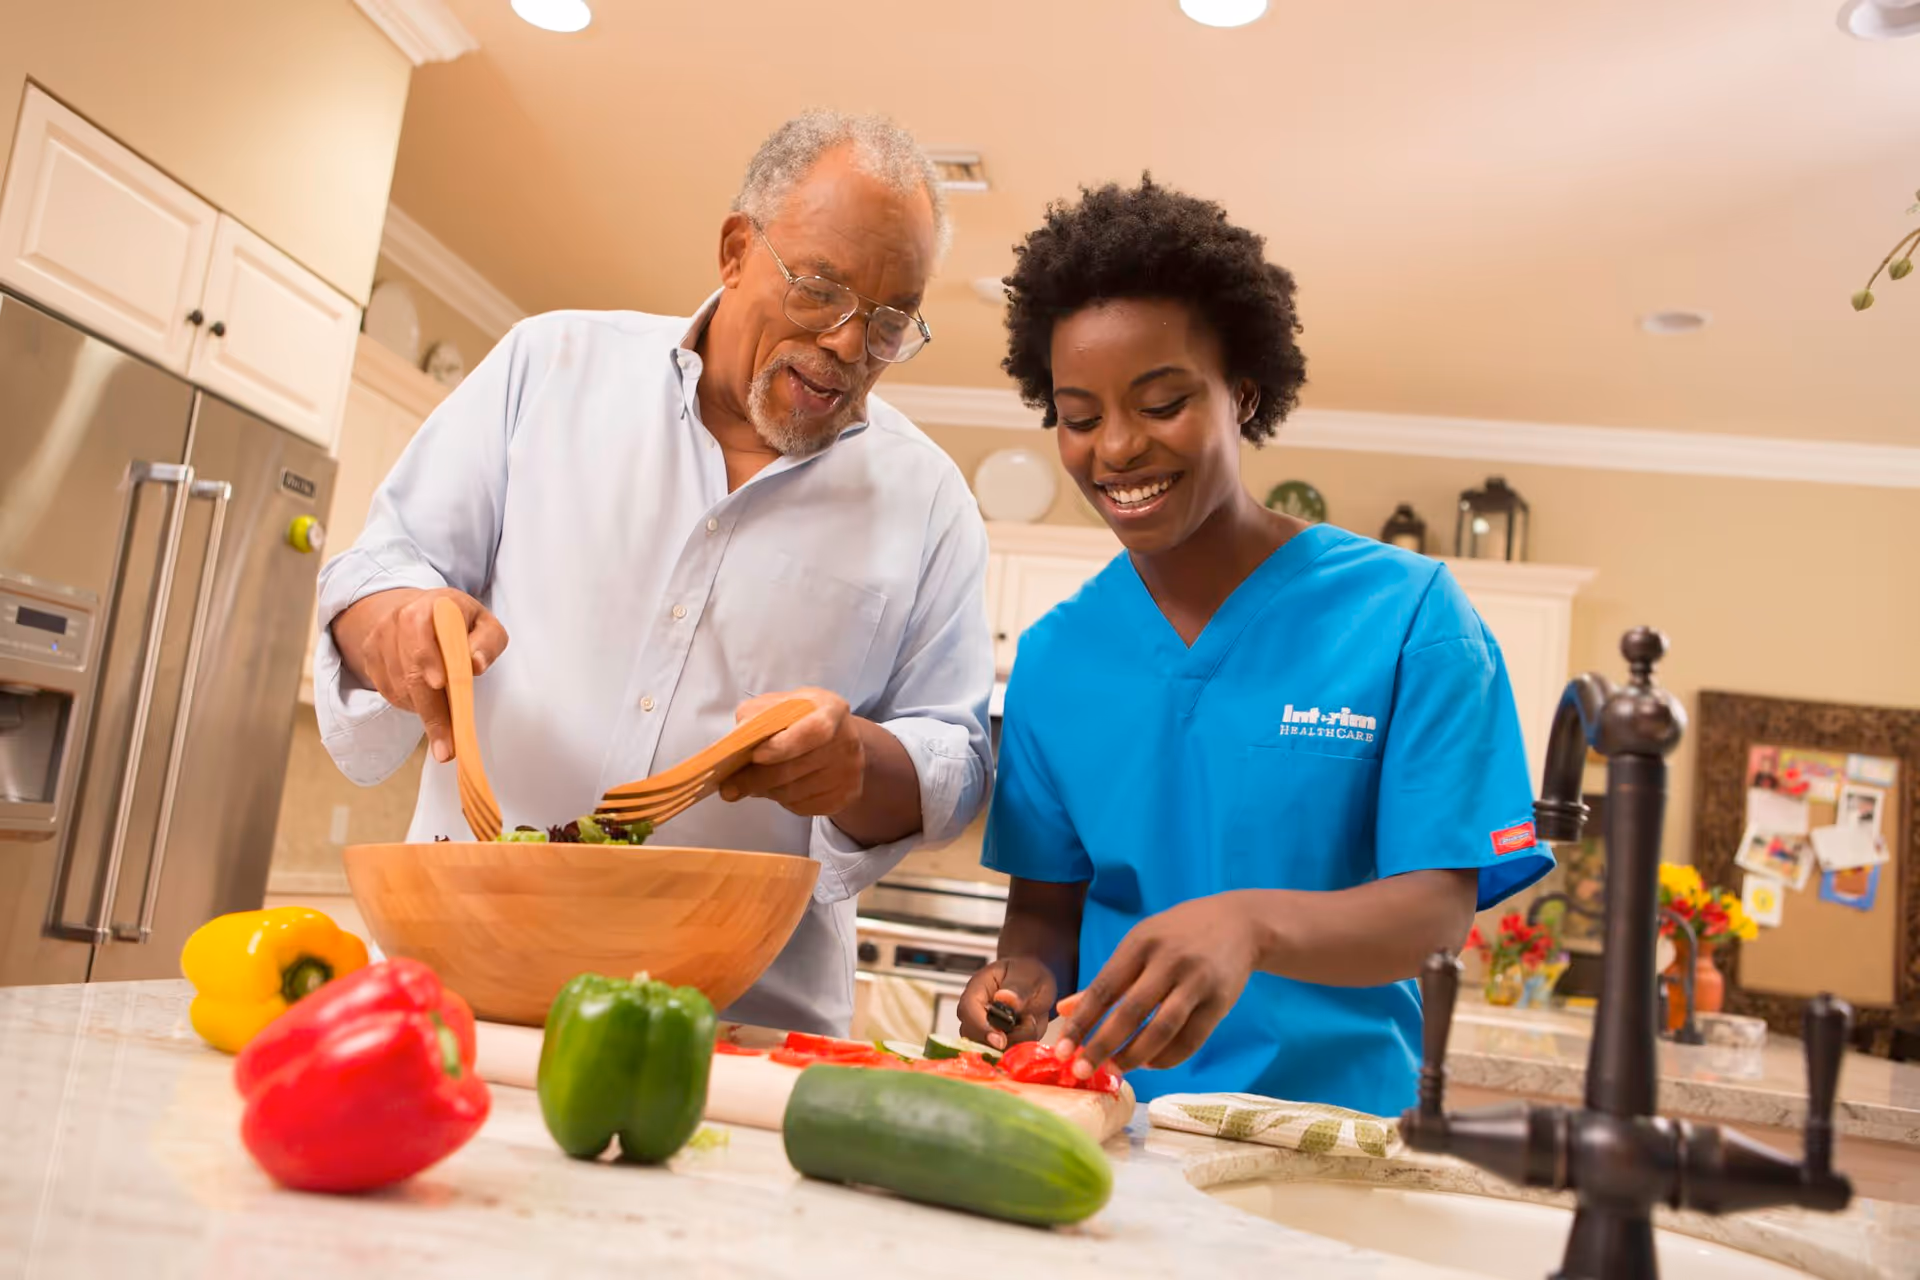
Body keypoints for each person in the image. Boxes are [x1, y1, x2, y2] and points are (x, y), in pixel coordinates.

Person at [316, 112, 994, 1036]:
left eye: (886, 324)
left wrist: (857, 764)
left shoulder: (929, 499)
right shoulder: (547, 366)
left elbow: (954, 756)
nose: (845, 345)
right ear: (733, 250)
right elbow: (378, 570)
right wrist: (393, 621)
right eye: (820, 292)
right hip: (470, 988)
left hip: (742, 1028)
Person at [956, 177, 1552, 1116]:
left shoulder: (1407, 616)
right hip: (1112, 1128)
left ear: (1244, 392)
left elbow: (1437, 914)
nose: (1113, 448)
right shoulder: (1056, 656)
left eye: (1160, 403)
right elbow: (1044, 913)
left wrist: (1254, 924)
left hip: (1337, 1138)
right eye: (1078, 416)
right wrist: (1019, 978)